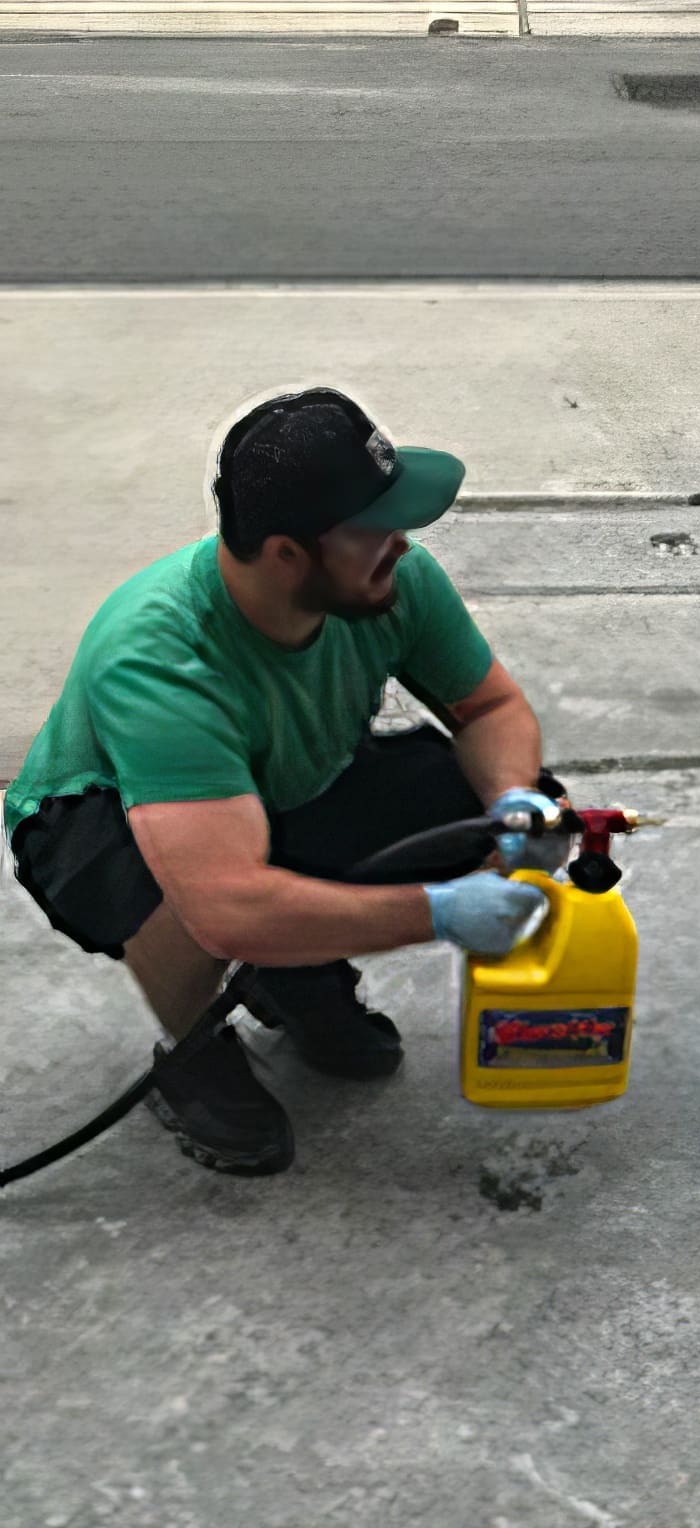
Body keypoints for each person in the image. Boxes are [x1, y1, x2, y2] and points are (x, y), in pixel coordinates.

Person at [6, 387, 568, 1178]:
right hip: (99, 819)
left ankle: (294, 974)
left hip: (279, 790)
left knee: (492, 803)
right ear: (285, 554)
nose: (402, 543)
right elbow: (228, 903)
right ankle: (194, 1050)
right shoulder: (161, 654)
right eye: (377, 528)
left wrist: (513, 799)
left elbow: (490, 707)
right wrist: (438, 911)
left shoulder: (391, 581)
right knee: (189, 904)